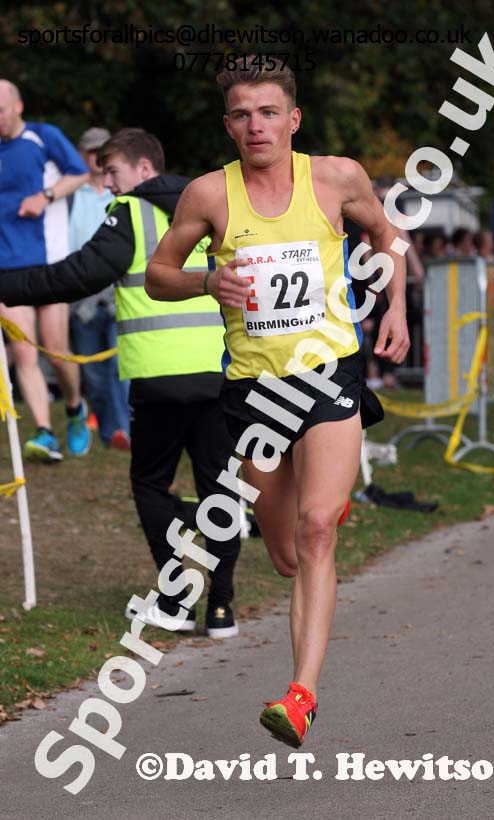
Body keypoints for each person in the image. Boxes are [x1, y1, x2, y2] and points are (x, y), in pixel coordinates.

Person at [145, 57, 409, 747]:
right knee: (289, 553)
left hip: (328, 376)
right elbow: (157, 275)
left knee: (318, 530)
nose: (255, 125)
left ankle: (300, 696)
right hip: (253, 393)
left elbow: (386, 239)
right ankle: (321, 501)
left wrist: (395, 310)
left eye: (268, 112)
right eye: (241, 113)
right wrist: (207, 282)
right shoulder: (208, 195)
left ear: (292, 119)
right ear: (227, 124)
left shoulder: (335, 178)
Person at [0, 128, 241, 638]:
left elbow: (73, 276)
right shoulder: (216, 207)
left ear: (143, 170)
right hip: (222, 370)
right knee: (219, 488)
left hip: (159, 375)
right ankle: (222, 608)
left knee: (150, 484)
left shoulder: (131, 213)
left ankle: (176, 603)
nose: (107, 184)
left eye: (112, 172)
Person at [0, 79, 90, 461]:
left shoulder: (43, 137)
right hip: (7, 266)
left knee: (56, 352)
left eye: (0, 111)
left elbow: (81, 173)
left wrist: (46, 196)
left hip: (50, 263)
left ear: (18, 105)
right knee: (24, 354)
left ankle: (74, 408)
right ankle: (44, 431)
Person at [68, 126, 130, 450]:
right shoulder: (69, 195)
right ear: (81, 155)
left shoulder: (121, 190)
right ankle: (109, 430)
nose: (96, 158)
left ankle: (123, 430)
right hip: (82, 294)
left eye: (101, 152)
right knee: (92, 369)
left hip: (118, 287)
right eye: (90, 151)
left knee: (122, 365)